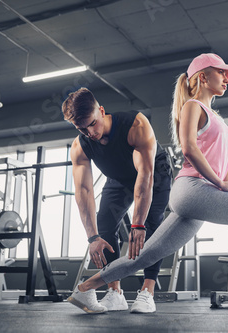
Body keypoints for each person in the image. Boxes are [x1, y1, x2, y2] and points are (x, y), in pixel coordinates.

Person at [67, 53, 228, 319]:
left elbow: (218, 161)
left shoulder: (213, 115)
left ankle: (86, 288)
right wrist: (219, 182)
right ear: (203, 77)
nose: (226, 79)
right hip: (192, 188)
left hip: (196, 192)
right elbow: (189, 148)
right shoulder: (192, 106)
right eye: (222, 73)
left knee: (146, 253)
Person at [62, 87, 173, 313]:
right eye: (81, 128)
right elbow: (83, 191)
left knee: (152, 225)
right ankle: (115, 292)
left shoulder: (135, 125)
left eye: (93, 123)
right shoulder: (79, 146)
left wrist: (137, 223)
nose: (90, 132)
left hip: (155, 174)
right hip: (119, 179)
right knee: (104, 226)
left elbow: (145, 176)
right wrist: (92, 237)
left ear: (101, 111)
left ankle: (147, 292)